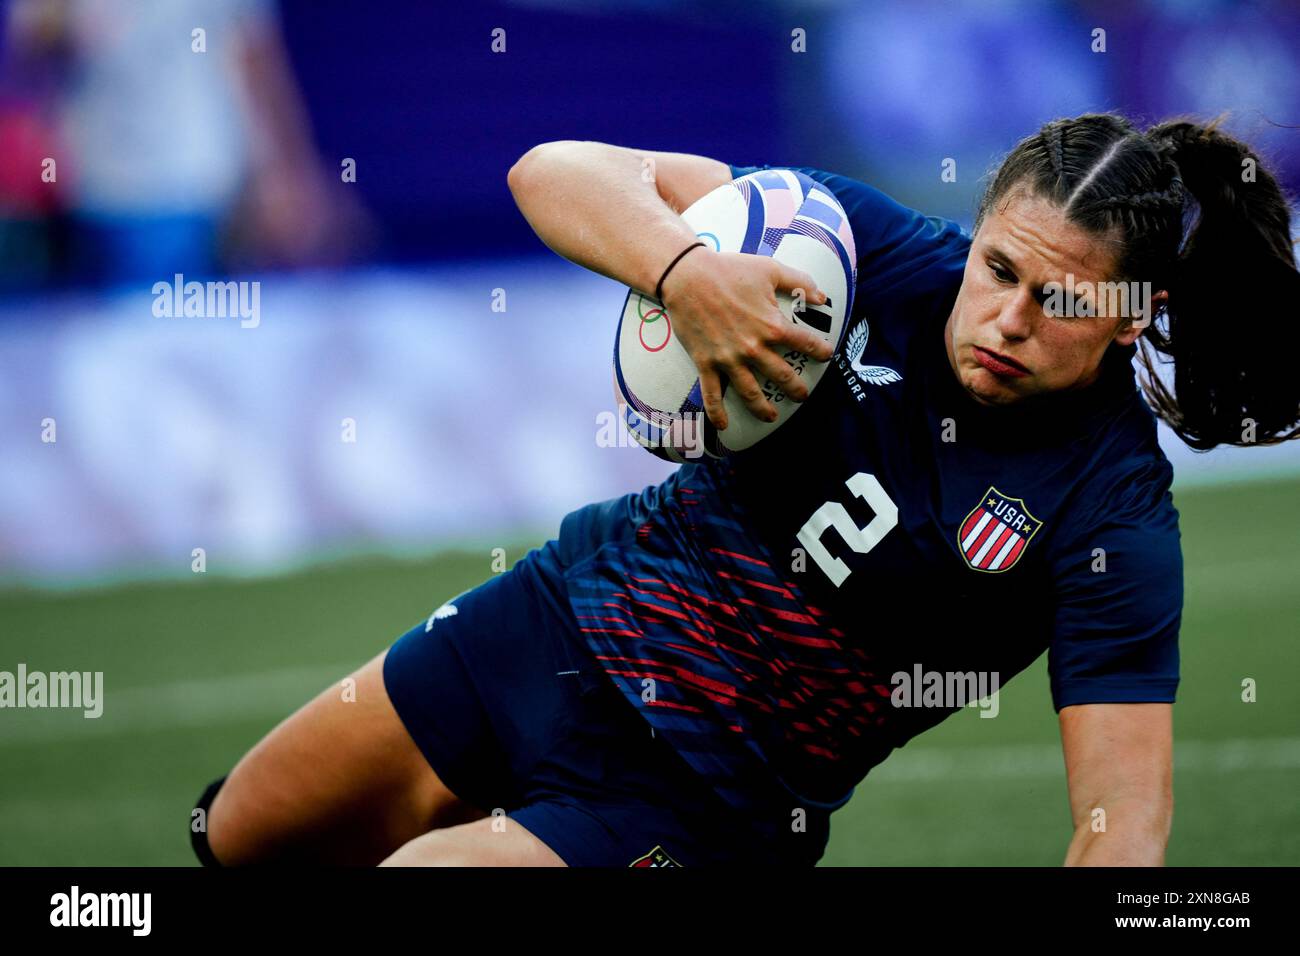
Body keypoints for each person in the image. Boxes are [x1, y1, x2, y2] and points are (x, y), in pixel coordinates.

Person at [193, 113, 1300, 867]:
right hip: (558, 618)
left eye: (1056, 300)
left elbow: (1122, 826)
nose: (1006, 318)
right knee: (242, 833)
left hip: (707, 793)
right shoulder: (863, 250)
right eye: (998, 269)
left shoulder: (1114, 515)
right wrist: (685, 269)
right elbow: (553, 170)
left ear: (1130, 313)